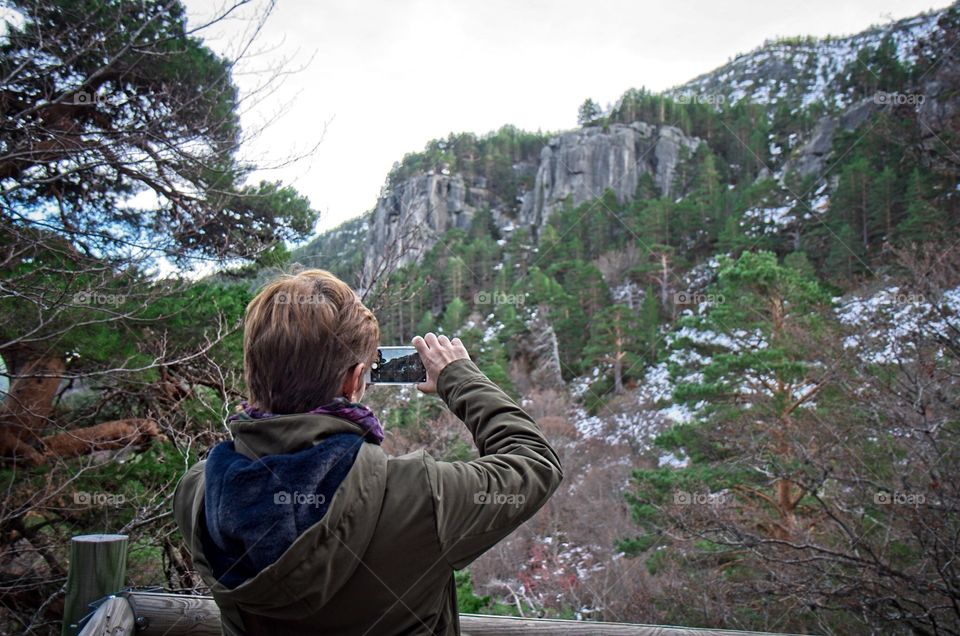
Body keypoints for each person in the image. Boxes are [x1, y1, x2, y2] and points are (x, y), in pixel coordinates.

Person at [173, 268, 563, 635]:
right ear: (357, 379)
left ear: (252, 372)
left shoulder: (199, 494)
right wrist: (458, 377)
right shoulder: (419, 496)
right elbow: (535, 461)